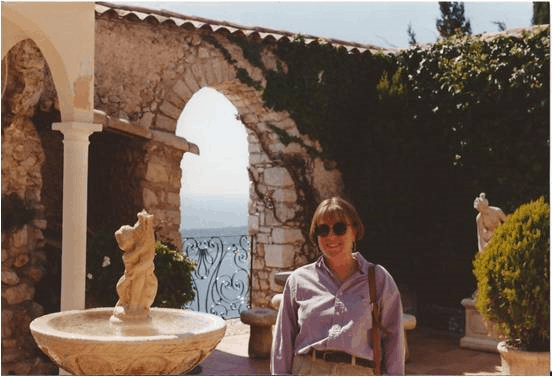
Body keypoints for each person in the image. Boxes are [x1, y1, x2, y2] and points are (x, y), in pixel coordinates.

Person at [271, 197, 405, 375]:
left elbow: (394, 340)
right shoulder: (298, 281)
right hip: (307, 370)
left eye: (340, 228)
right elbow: (283, 342)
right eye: (323, 230)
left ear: (355, 231)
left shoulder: (379, 279)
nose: (331, 236)